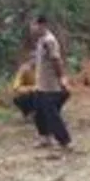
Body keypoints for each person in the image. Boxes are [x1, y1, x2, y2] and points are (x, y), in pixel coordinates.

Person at [29, 16, 73, 151]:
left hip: (50, 85)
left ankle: (64, 141)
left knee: (51, 114)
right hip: (40, 84)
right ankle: (45, 137)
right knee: (39, 113)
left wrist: (61, 78)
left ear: (42, 25)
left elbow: (56, 60)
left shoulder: (50, 41)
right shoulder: (41, 41)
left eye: (34, 25)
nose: (32, 28)